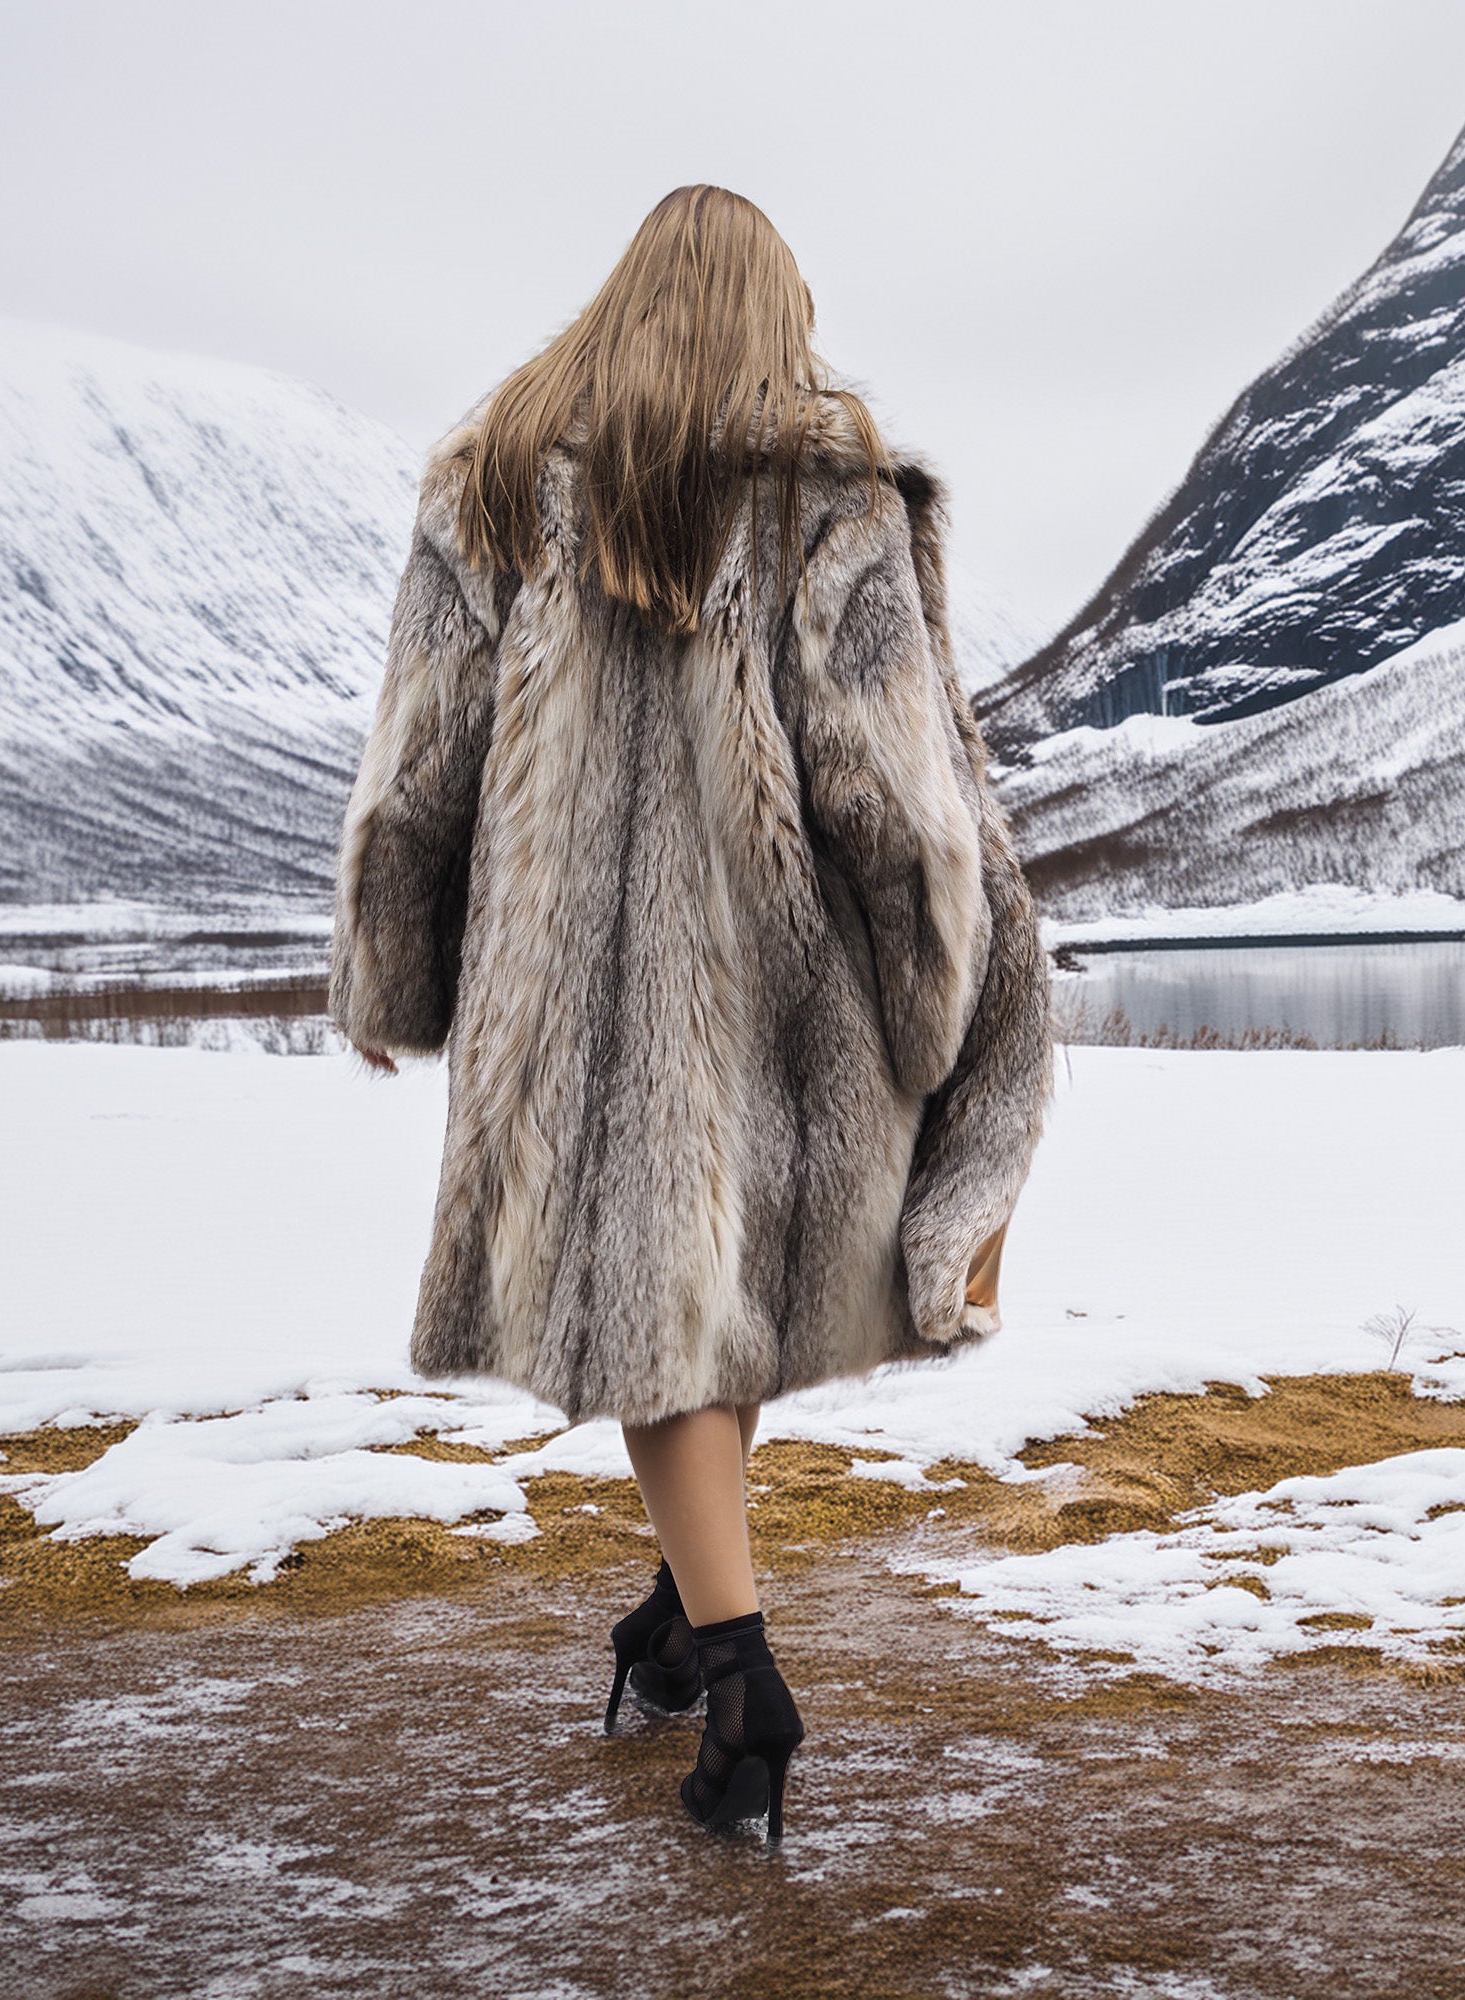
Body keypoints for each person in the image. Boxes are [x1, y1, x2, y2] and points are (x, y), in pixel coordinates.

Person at [328, 184, 1052, 1842]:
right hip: (786, 999)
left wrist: (397, 962)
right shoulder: (833, 497)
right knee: (702, 1298)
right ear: (764, 312)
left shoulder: (493, 487)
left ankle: (735, 1672)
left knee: (674, 1306)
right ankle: (693, 1624)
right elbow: (901, 793)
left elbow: (419, 762)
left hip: (565, 1009)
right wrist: (928, 1004)